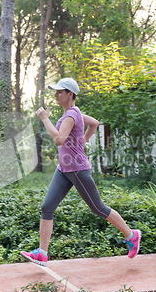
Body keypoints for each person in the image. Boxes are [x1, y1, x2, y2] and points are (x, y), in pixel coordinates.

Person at [20, 78, 141, 267]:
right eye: (55, 91)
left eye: (60, 92)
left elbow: (59, 139)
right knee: (47, 208)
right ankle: (42, 253)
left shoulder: (70, 115)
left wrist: (45, 119)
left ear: (70, 94)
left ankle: (131, 235)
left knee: (98, 208)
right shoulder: (74, 113)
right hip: (63, 169)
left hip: (77, 170)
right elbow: (95, 123)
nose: (56, 95)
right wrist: (81, 141)